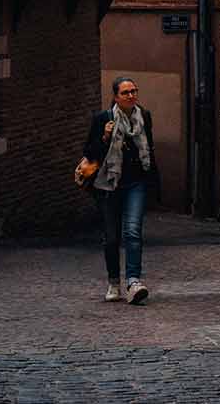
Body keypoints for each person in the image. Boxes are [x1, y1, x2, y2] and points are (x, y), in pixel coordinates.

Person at [82, 76, 157, 303]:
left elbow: (148, 150)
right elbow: (90, 152)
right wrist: (105, 136)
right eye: (125, 93)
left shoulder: (144, 117)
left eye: (134, 91)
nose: (131, 95)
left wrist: (153, 179)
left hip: (136, 182)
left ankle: (134, 281)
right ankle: (114, 282)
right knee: (112, 237)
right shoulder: (102, 119)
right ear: (115, 97)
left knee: (133, 232)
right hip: (109, 184)